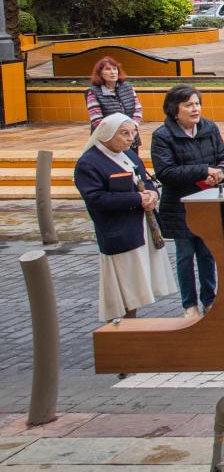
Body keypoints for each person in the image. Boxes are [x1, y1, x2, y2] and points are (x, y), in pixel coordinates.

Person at [76, 113, 174, 322]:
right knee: (124, 285)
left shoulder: (128, 155)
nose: (130, 138)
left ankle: (132, 323)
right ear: (106, 134)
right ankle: (122, 326)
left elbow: (145, 180)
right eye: (124, 134)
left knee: (137, 284)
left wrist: (152, 194)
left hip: (141, 228)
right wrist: (137, 198)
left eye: (133, 133)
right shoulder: (89, 163)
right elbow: (96, 198)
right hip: (119, 232)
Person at [151, 85, 224, 318]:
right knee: (185, 256)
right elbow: (165, 171)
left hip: (208, 202)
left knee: (207, 254)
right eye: (188, 104)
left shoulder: (209, 128)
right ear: (174, 110)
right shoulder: (162, 136)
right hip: (180, 206)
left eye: (197, 103)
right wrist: (202, 170)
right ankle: (189, 305)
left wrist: (219, 172)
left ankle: (210, 299)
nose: (195, 109)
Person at [85, 57, 143, 152]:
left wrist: (132, 129)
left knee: (132, 165)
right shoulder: (93, 92)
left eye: (115, 68)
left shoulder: (127, 87)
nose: (113, 72)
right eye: (108, 69)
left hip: (131, 138)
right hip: (108, 142)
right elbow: (96, 120)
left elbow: (138, 109)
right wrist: (118, 134)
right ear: (100, 73)